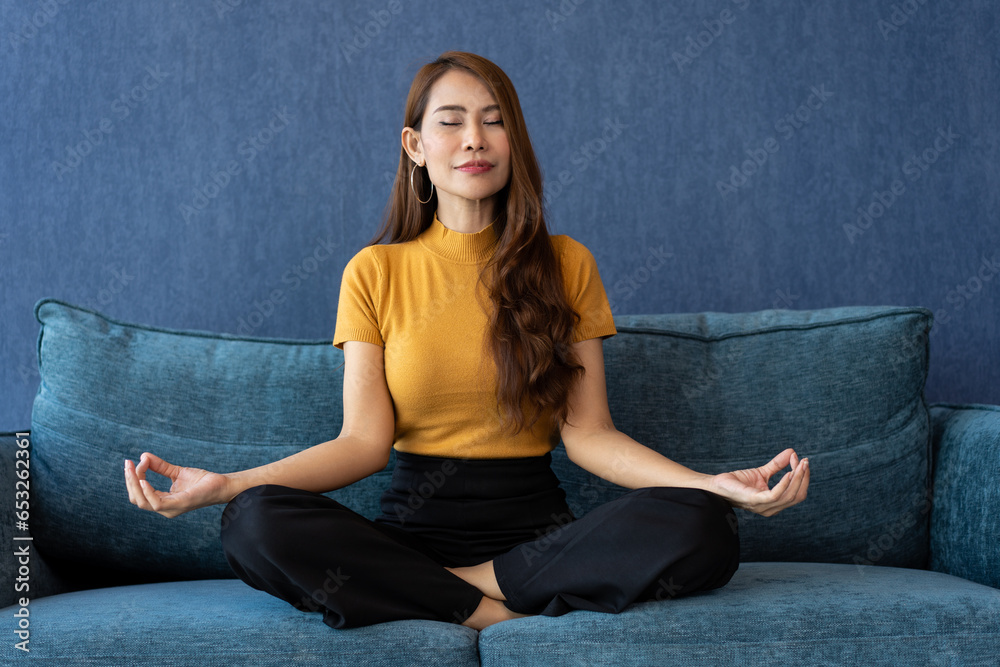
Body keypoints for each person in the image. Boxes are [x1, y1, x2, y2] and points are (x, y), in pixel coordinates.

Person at [124, 51, 809, 631]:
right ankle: (497, 610)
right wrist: (227, 486)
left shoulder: (566, 263)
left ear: (514, 143)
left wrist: (713, 485)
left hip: (541, 532)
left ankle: (447, 587)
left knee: (705, 525)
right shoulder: (375, 270)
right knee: (252, 522)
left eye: (493, 121)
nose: (474, 139)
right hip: (412, 526)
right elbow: (363, 443)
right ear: (416, 147)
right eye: (450, 123)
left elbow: (590, 435)